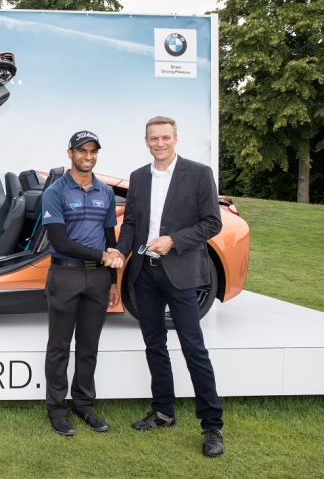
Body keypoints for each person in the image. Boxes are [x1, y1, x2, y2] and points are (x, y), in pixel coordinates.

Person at [116, 116, 225, 457]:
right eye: (154, 138)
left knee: (194, 348)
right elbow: (131, 224)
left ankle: (212, 426)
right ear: (146, 141)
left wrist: (173, 240)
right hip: (144, 275)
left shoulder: (199, 173)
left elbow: (212, 223)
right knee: (154, 344)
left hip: (180, 274)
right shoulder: (138, 177)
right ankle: (163, 411)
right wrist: (119, 252)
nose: (159, 143)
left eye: (165, 137)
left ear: (175, 139)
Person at [40, 130, 125, 436]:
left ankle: (84, 405)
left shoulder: (105, 192)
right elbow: (60, 242)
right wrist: (103, 256)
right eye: (82, 151)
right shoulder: (56, 191)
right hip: (65, 275)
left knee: (89, 346)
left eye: (93, 151)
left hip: (99, 279)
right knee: (59, 346)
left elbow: (110, 238)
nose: (88, 156)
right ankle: (56, 409)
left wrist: (113, 281)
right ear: (70, 153)